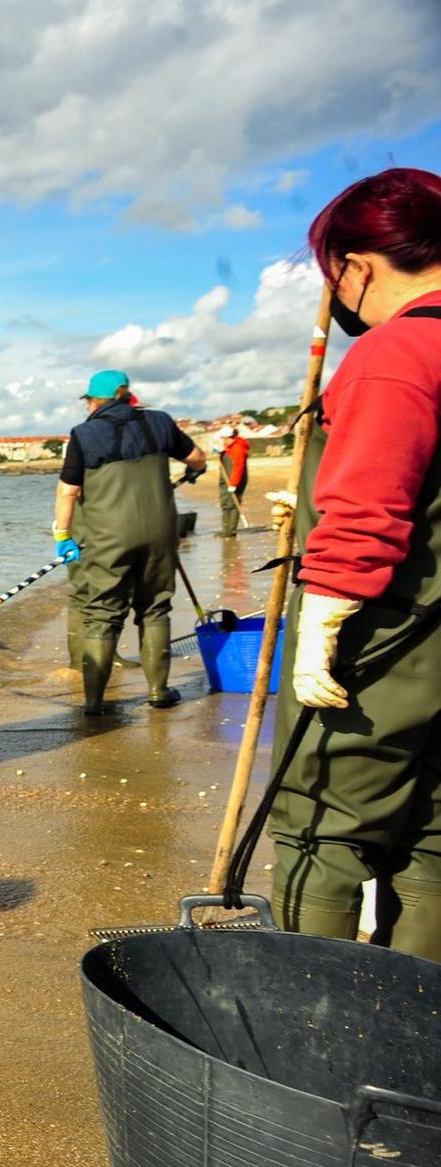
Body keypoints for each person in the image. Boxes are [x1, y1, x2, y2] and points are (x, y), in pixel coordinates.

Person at [267, 166, 441, 961]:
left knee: (318, 828)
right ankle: (413, 1044)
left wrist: (324, 610)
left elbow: (369, 510)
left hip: (387, 643)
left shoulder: (399, 348)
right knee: (433, 840)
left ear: (357, 266)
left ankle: (306, 1040)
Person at [52, 370, 207, 714]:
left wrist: (63, 535)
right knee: (154, 609)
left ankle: (93, 702)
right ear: (127, 395)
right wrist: (194, 472)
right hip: (160, 532)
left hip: (108, 538)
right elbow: (197, 458)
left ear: (94, 401)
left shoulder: (84, 433)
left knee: (101, 614)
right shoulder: (159, 422)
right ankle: (158, 691)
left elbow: (68, 491)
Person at [218, 427, 250, 537]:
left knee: (232, 504)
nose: (223, 441)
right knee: (225, 502)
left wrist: (233, 484)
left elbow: (238, 468)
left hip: (235, 480)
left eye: (224, 438)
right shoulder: (229, 447)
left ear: (229, 437)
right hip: (226, 478)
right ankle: (225, 529)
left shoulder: (238, 448)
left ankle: (230, 531)